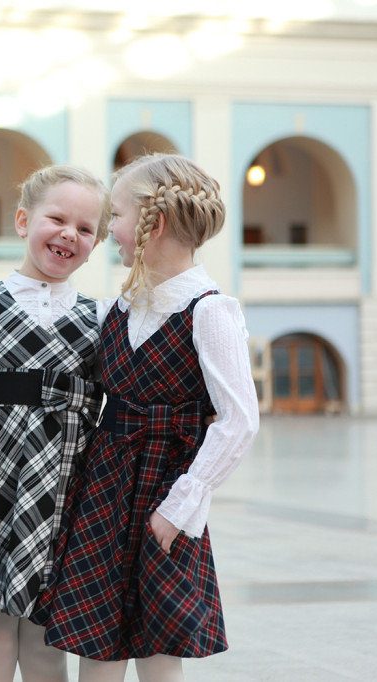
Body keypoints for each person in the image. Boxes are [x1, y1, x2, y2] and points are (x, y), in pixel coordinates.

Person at [35, 153, 260, 682]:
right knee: (96, 638)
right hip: (104, 486)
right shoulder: (120, 310)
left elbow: (239, 420)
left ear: (151, 225)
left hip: (165, 490)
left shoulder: (209, 310)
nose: (108, 229)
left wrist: (181, 506)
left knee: (159, 646)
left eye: (115, 215)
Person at [0, 164, 111, 682]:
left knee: (46, 633)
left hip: (63, 481)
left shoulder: (100, 317)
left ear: (96, 243)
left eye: (85, 229)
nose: (69, 234)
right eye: (57, 219)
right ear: (23, 221)